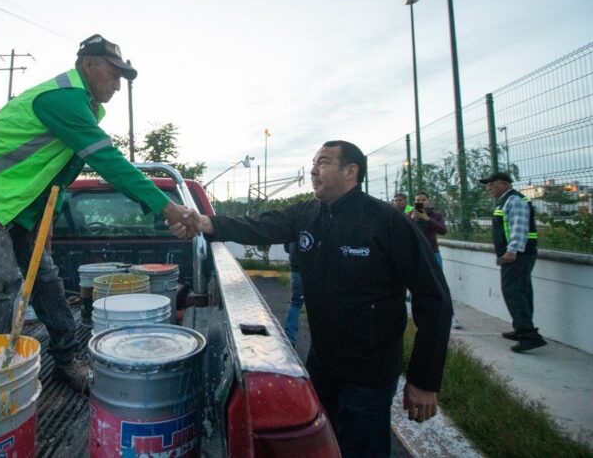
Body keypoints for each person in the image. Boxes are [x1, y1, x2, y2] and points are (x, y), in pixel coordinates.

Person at [0, 34, 198, 391]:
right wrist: (167, 207)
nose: (118, 85)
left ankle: (66, 360)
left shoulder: (84, 107)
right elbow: (109, 162)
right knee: (2, 282)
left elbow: (59, 174)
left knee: (45, 278)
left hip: (18, 203)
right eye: (113, 74)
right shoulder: (62, 99)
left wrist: (47, 228)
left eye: (122, 77)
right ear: (89, 65)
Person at [171, 140, 453, 458]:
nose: (313, 170)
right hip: (322, 363)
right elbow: (261, 226)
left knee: (362, 448)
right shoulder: (308, 214)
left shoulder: (387, 222)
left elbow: (435, 299)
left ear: (351, 171)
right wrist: (206, 223)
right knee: (322, 445)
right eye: (314, 162)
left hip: (369, 373)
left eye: (323, 162)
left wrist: (424, 380)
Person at [480, 172, 546, 353]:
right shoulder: (506, 201)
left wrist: (511, 251)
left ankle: (529, 336)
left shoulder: (514, 201)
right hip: (518, 255)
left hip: (518, 256)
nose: (489, 188)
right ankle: (522, 329)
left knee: (514, 293)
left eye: (491, 184)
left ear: (504, 184)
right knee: (521, 292)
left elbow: (519, 227)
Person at [410, 192, 460, 329]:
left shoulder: (435, 216)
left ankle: (450, 315)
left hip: (433, 254)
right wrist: (413, 219)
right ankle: (419, 316)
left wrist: (427, 218)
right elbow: (404, 231)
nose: (421, 202)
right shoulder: (411, 215)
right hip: (416, 254)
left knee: (439, 285)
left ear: (429, 201)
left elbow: (442, 230)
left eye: (423, 200)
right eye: (418, 200)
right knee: (416, 286)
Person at [283, 241, 303, 346]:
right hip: (313, 269)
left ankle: (290, 338)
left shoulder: (294, 225)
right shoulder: (316, 224)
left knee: (295, 303)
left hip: (296, 269)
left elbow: (286, 248)